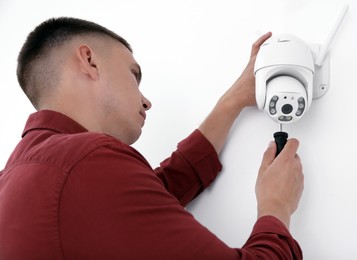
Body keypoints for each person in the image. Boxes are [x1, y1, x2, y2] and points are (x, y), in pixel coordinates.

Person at [0, 17, 304, 259]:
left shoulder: (18, 177)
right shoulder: (87, 159)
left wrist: (233, 101)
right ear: (89, 61)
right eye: (134, 74)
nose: (146, 101)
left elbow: (153, 196)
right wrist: (276, 206)